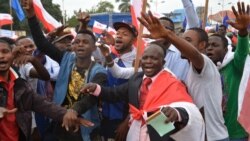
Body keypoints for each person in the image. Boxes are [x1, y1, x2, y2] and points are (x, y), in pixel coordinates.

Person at [82, 44, 204, 141]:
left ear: (163, 62)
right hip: (135, 130)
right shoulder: (137, 79)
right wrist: (96, 88)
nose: (148, 61)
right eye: (145, 58)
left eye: (154, 58)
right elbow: (114, 93)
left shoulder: (172, 82)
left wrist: (176, 112)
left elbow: (187, 107)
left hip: (159, 129)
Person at [138, 11, 229, 141]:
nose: (180, 43)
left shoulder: (204, 62)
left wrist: (168, 35)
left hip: (213, 137)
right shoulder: (191, 69)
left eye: (187, 40)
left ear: (202, 45)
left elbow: (196, 55)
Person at [23, 0, 108, 140]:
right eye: (77, 42)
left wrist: (74, 111)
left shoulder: (99, 72)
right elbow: (42, 44)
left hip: (82, 127)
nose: (80, 45)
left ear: (94, 48)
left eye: (85, 42)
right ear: (73, 46)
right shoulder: (66, 59)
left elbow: (91, 98)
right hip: (59, 121)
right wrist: (32, 16)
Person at [0, 39, 92, 141]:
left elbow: (42, 104)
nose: (1, 56)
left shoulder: (19, 84)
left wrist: (68, 114)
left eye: (5, 51)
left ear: (12, 55)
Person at [206, 2, 250, 140]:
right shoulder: (204, 69)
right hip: (213, 132)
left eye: (214, 45)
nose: (209, 48)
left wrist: (243, 32)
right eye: (207, 45)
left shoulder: (235, 64)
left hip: (235, 132)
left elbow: (242, 53)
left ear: (226, 49)